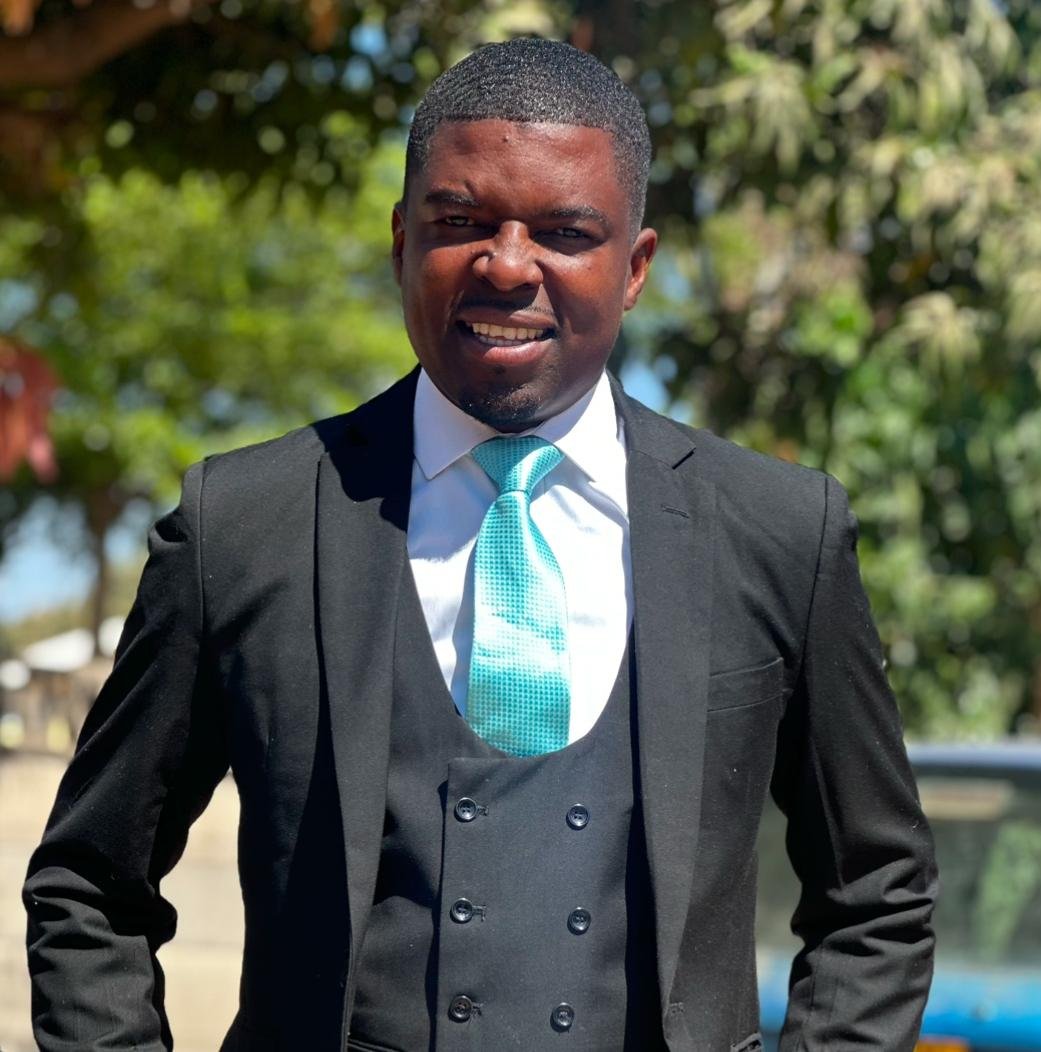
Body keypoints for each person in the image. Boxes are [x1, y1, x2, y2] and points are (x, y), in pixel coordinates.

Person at [24, 37, 937, 1052]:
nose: (506, 265)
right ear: (400, 242)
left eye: (565, 232)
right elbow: (91, 886)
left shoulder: (777, 531)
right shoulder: (243, 525)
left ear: (634, 268)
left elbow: (877, 897)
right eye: (459, 223)